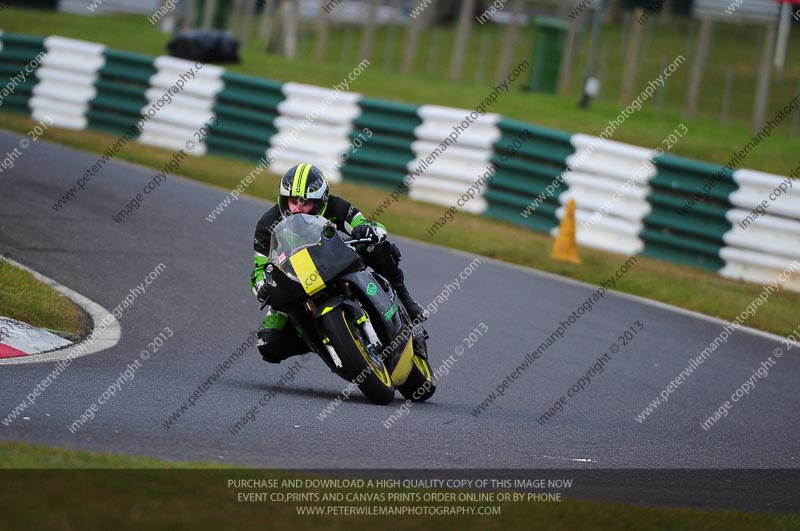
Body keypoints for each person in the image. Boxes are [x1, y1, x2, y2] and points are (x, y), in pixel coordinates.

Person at [250, 163, 425, 364]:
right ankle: (320, 339)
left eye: (305, 202)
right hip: (295, 281)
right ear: (283, 200)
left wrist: (366, 230)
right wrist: (261, 286)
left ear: (320, 201)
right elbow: (260, 268)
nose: (297, 208)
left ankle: (405, 299)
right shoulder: (267, 225)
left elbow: (363, 223)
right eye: (293, 201)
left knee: (376, 247)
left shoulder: (335, 206)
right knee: (268, 345)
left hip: (334, 262)